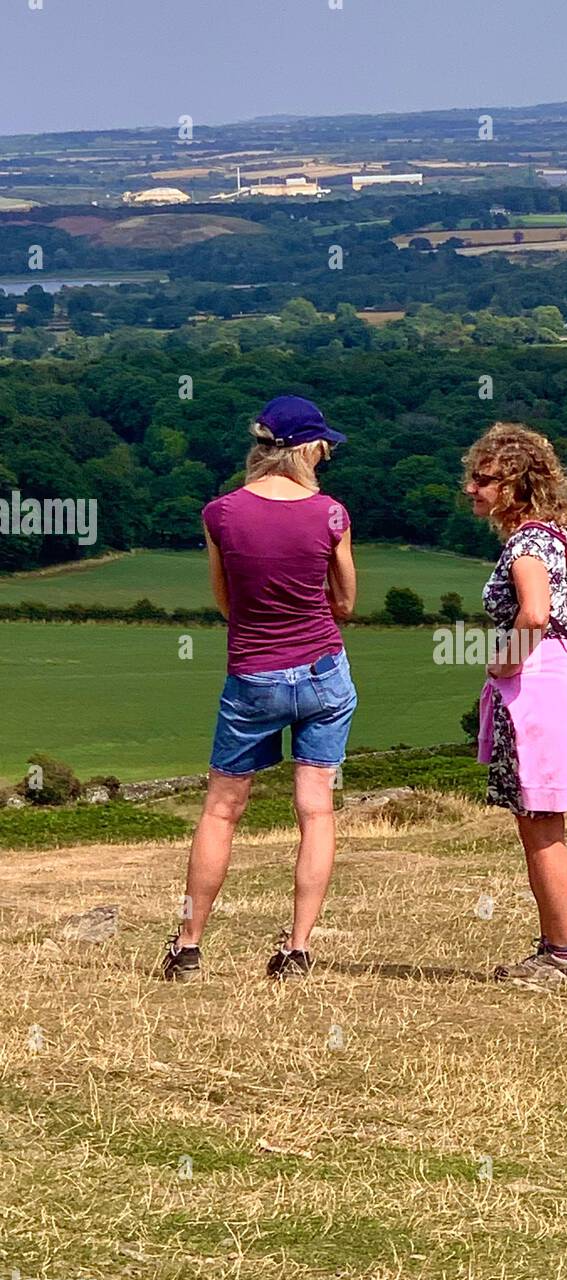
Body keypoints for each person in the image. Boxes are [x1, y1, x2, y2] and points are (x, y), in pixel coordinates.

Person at [163, 395, 357, 983]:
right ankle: (297, 950)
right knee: (315, 809)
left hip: (252, 673)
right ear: (306, 448)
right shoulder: (331, 514)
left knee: (222, 810)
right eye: (323, 446)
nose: (326, 455)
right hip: (324, 671)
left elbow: (225, 599)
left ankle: (190, 947)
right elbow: (345, 602)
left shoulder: (219, 513)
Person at [464, 422, 567, 991]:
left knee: (541, 828)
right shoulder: (551, 536)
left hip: (537, 694)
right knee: (542, 825)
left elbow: (533, 613)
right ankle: (557, 949)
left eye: (485, 480)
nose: (472, 490)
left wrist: (502, 661)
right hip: (558, 683)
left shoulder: (526, 544)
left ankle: (560, 955)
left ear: (516, 485)